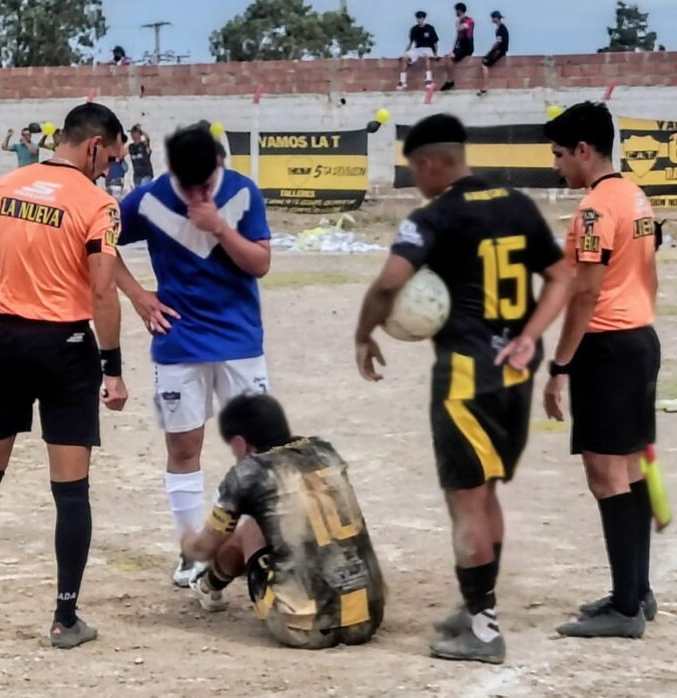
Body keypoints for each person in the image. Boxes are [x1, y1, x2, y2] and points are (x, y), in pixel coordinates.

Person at [354, 114, 570, 664]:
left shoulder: (437, 215)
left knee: (466, 502)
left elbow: (389, 282)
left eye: (413, 169)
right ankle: (481, 611)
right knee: (486, 492)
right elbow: (563, 276)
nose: (414, 179)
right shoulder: (519, 204)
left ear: (430, 163)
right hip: (515, 375)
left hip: (468, 379)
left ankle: (481, 627)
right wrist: (528, 337)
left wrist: (364, 333)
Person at [0, 102, 129, 650]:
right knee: (71, 492)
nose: (111, 169)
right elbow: (100, 290)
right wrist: (111, 369)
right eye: (111, 157)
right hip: (65, 349)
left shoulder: (3, 189)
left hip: (8, 341)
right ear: (94, 145)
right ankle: (64, 618)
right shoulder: (98, 205)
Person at [115, 124, 272, 587]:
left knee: (257, 453)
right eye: (189, 187)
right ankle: (192, 551)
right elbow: (97, 243)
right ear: (171, 173)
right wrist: (138, 295)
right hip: (178, 344)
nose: (198, 194)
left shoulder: (243, 193)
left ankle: (257, 546)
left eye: (206, 184)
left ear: (219, 166)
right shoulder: (147, 199)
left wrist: (220, 227)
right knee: (183, 449)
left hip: (240, 343)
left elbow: (260, 264)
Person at [543, 102, 660, 639]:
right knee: (631, 470)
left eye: (561, 155)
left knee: (605, 476)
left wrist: (561, 363)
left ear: (584, 150)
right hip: (640, 339)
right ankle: (635, 591)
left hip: (608, 348)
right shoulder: (635, 195)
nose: (558, 166)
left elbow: (586, 289)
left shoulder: (592, 210)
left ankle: (625, 611)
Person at [181, 394, 385, 649]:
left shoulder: (248, 474)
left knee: (249, 529)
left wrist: (187, 542)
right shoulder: (325, 451)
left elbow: (204, 548)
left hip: (304, 627)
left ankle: (209, 587)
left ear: (240, 443)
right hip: (368, 617)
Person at [397, 11, 440, 90]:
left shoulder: (430, 28)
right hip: (417, 49)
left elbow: (435, 43)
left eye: (421, 18)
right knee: (405, 58)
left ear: (423, 18)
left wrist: (435, 53)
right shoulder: (414, 29)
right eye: (418, 18)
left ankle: (428, 79)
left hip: (428, 48)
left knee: (426, 57)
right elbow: (411, 43)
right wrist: (405, 53)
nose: (419, 20)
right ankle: (402, 81)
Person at [440, 3, 475, 92]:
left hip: (468, 47)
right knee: (448, 57)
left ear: (460, 10)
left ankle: (450, 81)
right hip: (461, 46)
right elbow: (458, 36)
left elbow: (460, 28)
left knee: (450, 57)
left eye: (456, 10)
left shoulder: (469, 20)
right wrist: (453, 49)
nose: (455, 12)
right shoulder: (459, 21)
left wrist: (458, 21)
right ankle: (450, 80)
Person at [478, 11, 509, 96]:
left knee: (484, 64)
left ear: (496, 18)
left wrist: (491, 51)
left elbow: (498, 42)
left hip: (499, 50)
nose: (491, 19)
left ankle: (485, 87)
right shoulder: (500, 28)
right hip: (500, 50)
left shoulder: (501, 28)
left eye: (492, 17)